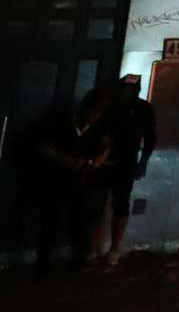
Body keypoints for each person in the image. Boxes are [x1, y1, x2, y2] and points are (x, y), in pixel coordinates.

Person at [23, 90, 107, 276]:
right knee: (50, 221)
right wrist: (66, 161)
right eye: (92, 112)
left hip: (81, 181)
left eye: (97, 114)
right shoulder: (61, 126)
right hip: (56, 180)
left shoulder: (95, 130)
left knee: (78, 222)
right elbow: (44, 148)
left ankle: (78, 260)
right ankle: (43, 264)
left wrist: (93, 163)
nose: (93, 117)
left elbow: (104, 149)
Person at [98, 73, 156, 264]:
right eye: (124, 88)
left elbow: (150, 138)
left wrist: (143, 162)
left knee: (121, 203)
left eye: (130, 89)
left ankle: (114, 248)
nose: (127, 92)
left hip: (127, 161)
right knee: (96, 203)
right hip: (103, 160)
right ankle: (92, 248)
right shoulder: (111, 107)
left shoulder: (143, 109)